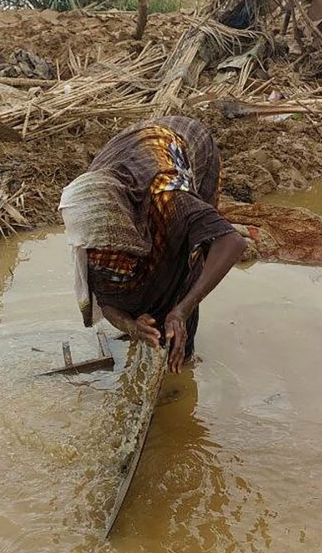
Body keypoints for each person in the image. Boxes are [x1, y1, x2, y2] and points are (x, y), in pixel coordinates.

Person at [59, 116, 246, 373]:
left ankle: (182, 343)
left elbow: (232, 241)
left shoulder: (169, 197)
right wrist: (132, 326)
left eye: (108, 245)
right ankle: (157, 324)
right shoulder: (90, 226)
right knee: (129, 271)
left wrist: (182, 309)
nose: (102, 253)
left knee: (187, 254)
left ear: (122, 224)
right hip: (128, 152)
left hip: (184, 145)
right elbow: (107, 299)